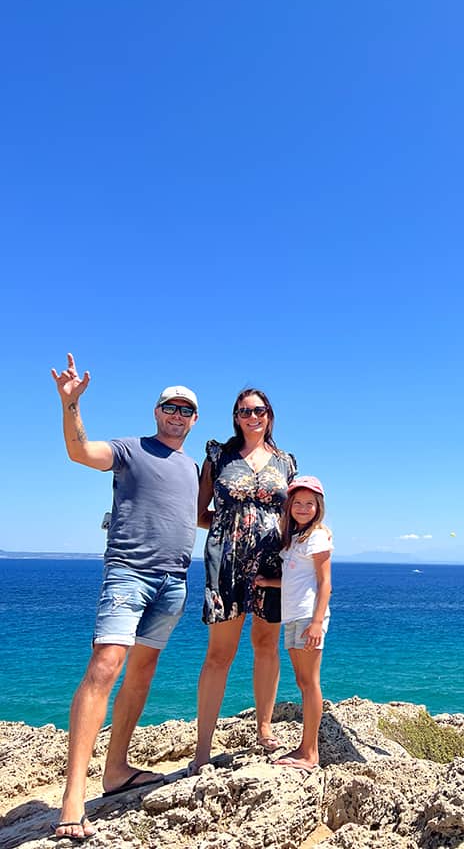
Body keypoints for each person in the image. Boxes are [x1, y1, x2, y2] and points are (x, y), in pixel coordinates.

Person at [50, 354, 199, 842]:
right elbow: (80, 453)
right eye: (170, 408)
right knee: (106, 666)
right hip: (129, 573)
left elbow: (191, 516)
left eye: (185, 410)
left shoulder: (193, 466)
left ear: (194, 420)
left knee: (142, 672)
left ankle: (116, 770)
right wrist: (71, 406)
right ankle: (73, 798)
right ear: (157, 413)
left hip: (173, 582)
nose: (177, 416)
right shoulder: (131, 449)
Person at [191, 388, 297, 772]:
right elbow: (200, 512)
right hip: (227, 563)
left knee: (267, 646)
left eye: (259, 410)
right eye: (244, 411)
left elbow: (294, 515)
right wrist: (228, 530)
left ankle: (265, 730)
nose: (252, 416)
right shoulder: (218, 456)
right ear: (235, 416)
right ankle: (203, 748)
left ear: (269, 414)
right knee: (219, 654)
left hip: (273, 563)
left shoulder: (286, 462)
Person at [257, 475, 333, 774]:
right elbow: (295, 579)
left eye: (309, 503)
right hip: (293, 615)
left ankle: (310, 752)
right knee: (303, 682)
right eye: (298, 503)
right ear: (290, 506)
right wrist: (268, 582)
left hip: (307, 617)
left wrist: (316, 622)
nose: (303, 508)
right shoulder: (296, 538)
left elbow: (324, 582)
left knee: (309, 682)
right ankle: (305, 747)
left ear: (319, 507)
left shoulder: (318, 536)